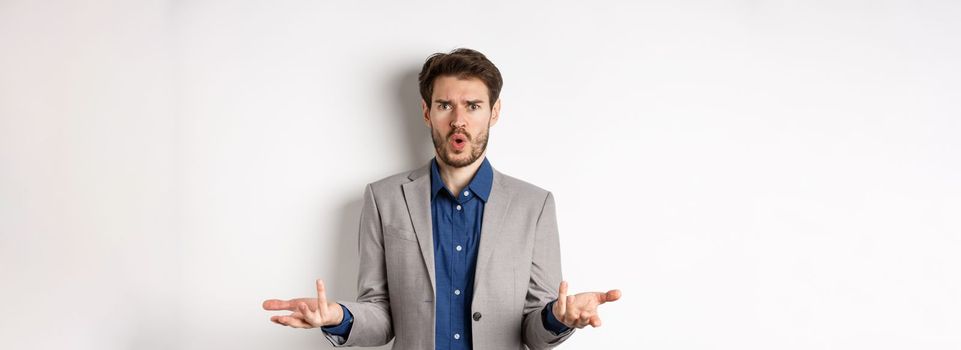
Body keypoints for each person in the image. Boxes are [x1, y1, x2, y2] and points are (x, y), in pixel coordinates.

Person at [262, 48, 621, 349]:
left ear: (494, 113)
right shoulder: (383, 198)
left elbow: (533, 331)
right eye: (445, 105)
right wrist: (339, 317)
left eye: (473, 106)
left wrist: (558, 318)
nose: (459, 120)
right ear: (426, 112)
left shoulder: (535, 205)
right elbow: (381, 316)